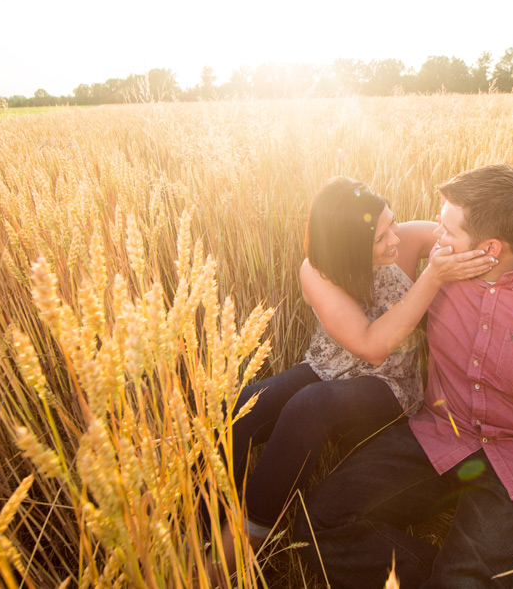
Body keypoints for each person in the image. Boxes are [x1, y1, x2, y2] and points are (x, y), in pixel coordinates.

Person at [294, 165, 513, 588]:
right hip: (437, 433)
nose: (434, 240)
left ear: (490, 247)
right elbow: (368, 308)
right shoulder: (438, 275)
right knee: (318, 524)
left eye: (446, 231)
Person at [210, 176, 496, 574]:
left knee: (309, 406)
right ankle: (203, 515)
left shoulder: (406, 240)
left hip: (390, 385)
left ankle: (249, 536)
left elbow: (463, 235)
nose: (394, 239)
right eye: (379, 239)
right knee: (240, 409)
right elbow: (368, 342)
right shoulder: (317, 272)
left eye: (391, 224)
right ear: (347, 248)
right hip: (328, 366)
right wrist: (432, 277)